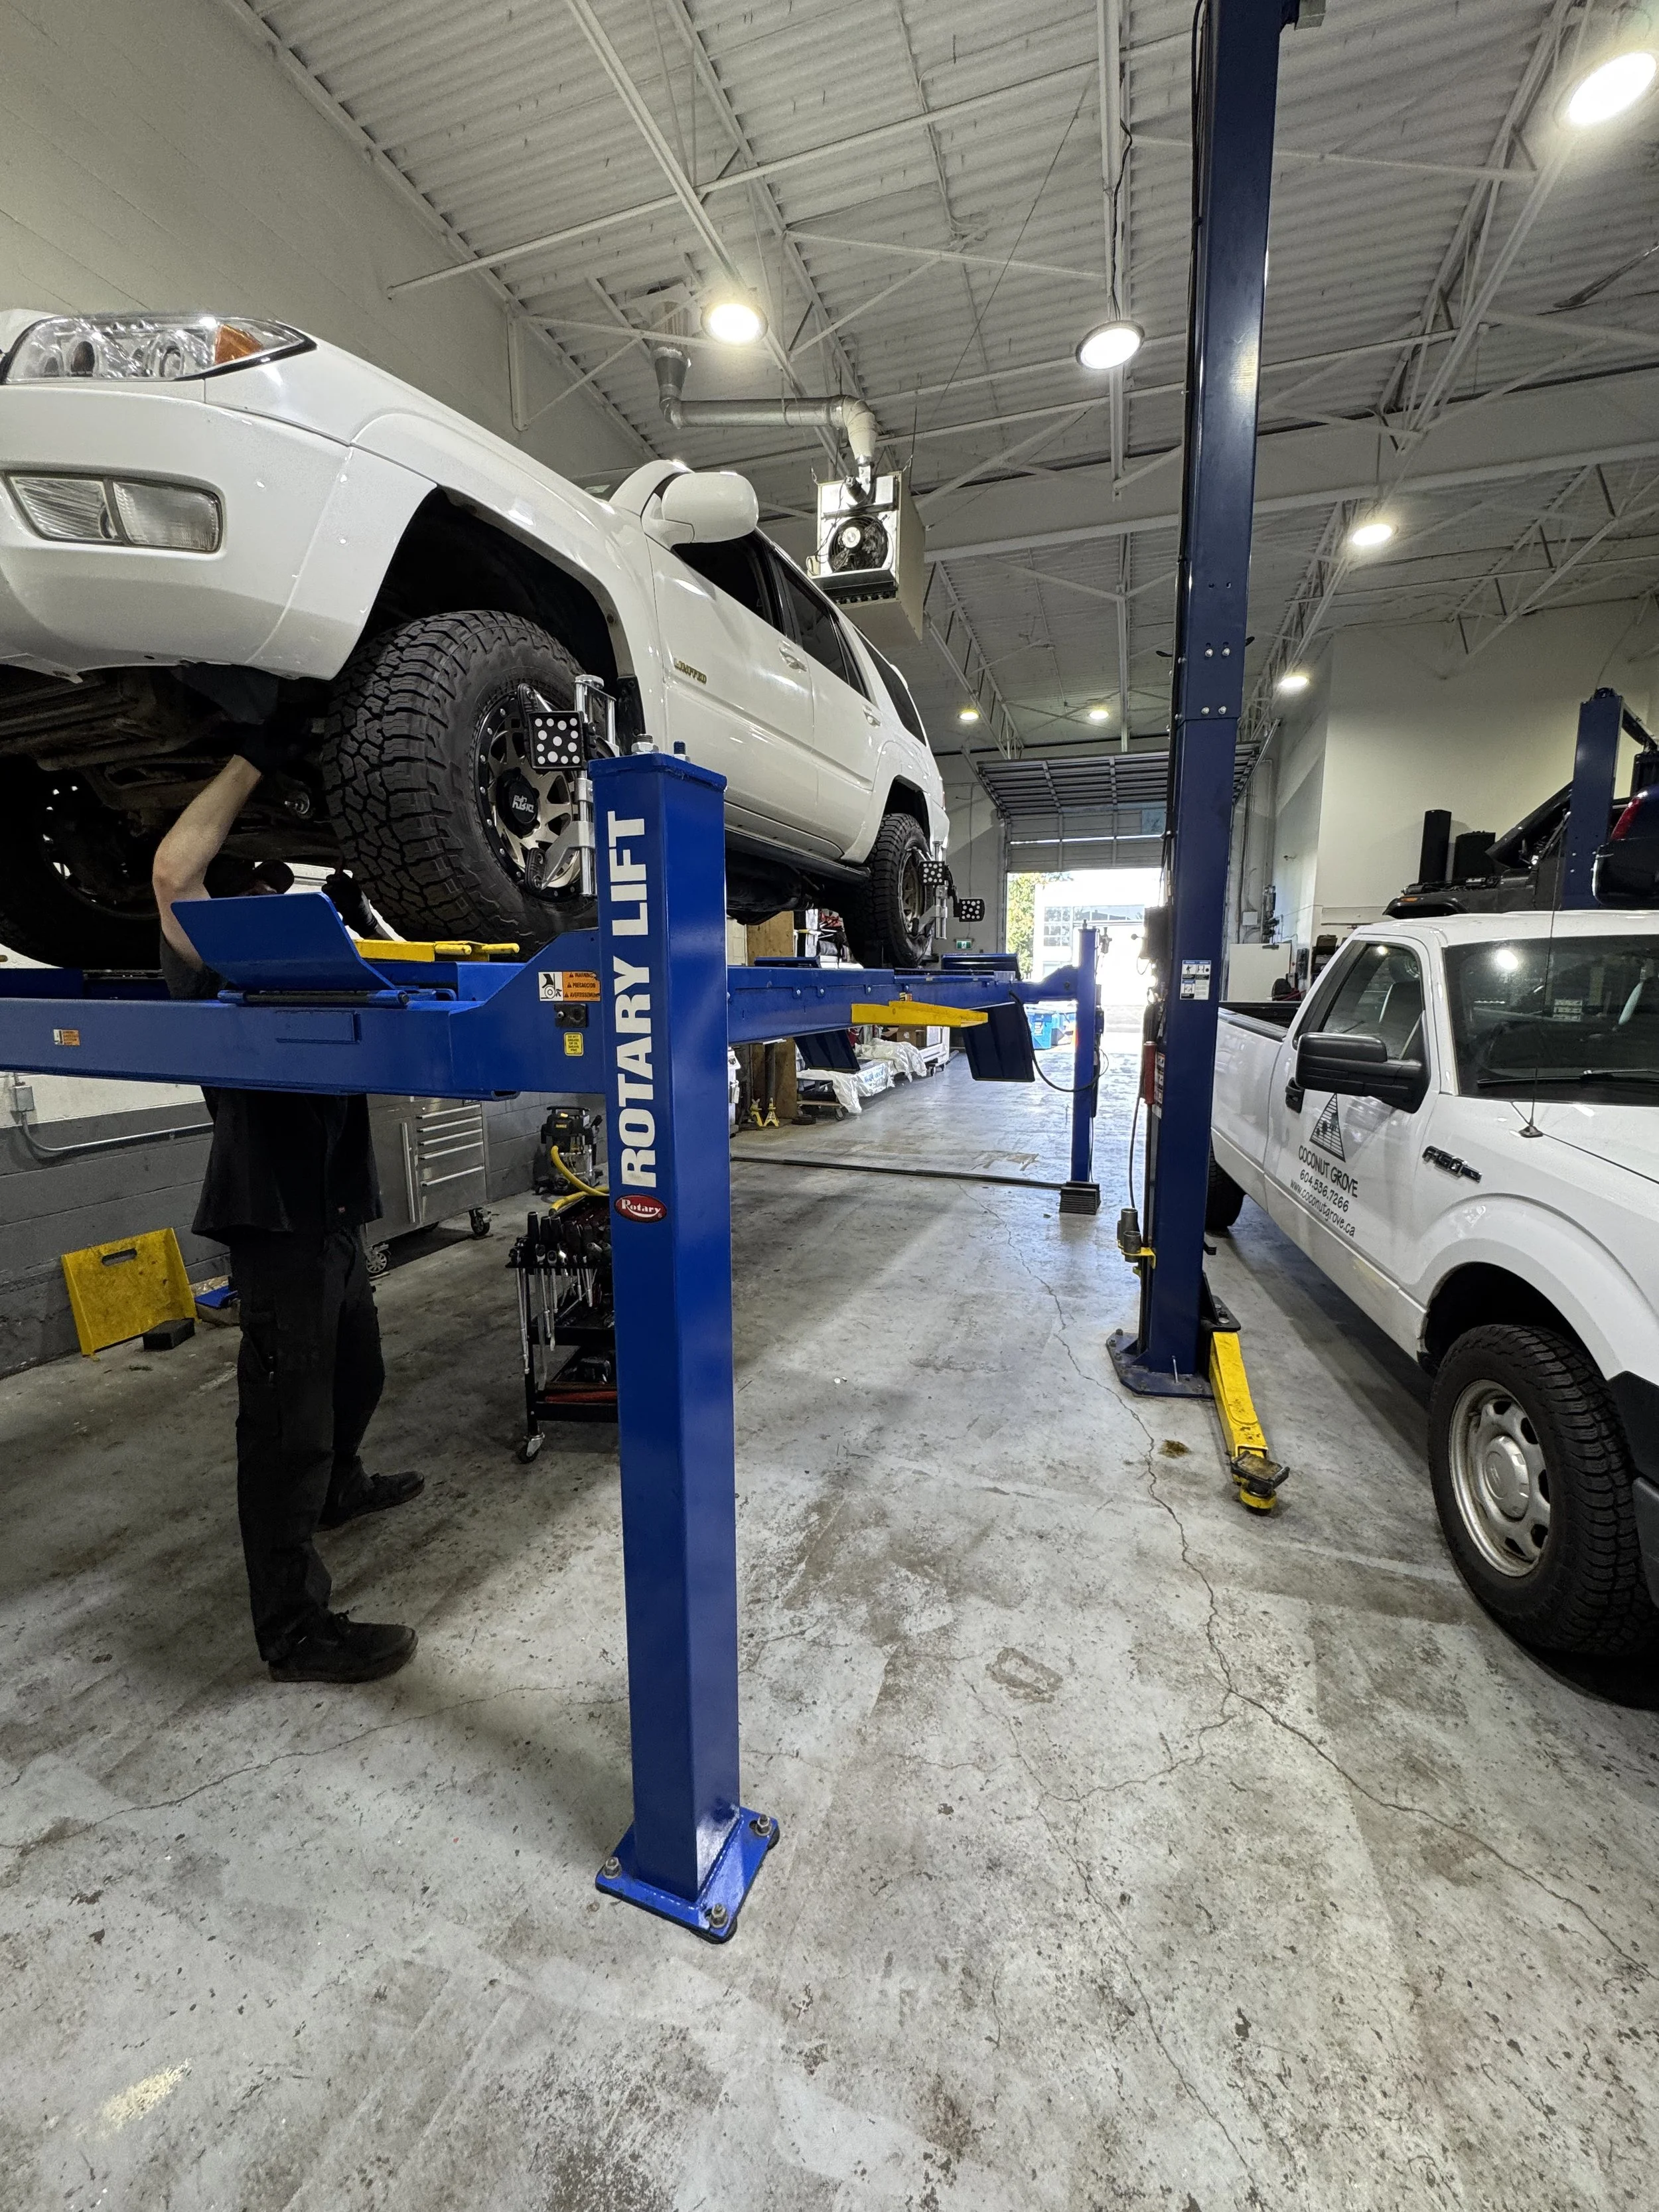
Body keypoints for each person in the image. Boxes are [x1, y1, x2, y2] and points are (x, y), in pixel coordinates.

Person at [152, 745, 422, 1684]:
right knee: (285, 1431)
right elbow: (170, 873)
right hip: (276, 1224)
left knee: (361, 1374)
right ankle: (294, 1629)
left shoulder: (311, 958)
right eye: (257, 880)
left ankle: (342, 1486)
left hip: (334, 1213)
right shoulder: (205, 964)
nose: (275, 889)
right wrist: (249, 764)